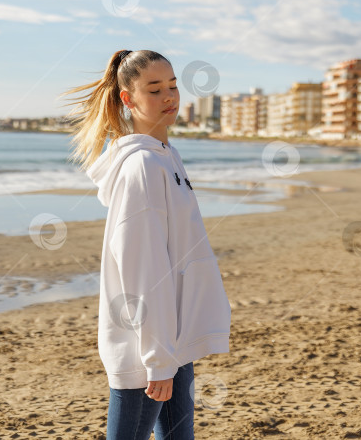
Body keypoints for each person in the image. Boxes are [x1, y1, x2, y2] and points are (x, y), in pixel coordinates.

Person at [59, 50, 232, 440]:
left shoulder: (168, 157)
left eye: (172, 86)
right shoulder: (142, 167)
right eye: (154, 89)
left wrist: (169, 352)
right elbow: (143, 268)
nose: (169, 96)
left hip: (174, 338)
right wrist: (157, 360)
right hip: (147, 349)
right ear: (128, 99)